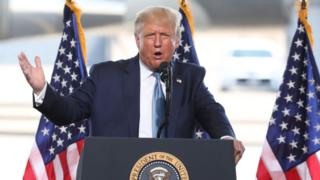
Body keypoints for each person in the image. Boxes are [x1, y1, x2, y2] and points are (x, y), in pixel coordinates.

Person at [18, 6, 245, 164]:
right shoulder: (106, 75)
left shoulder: (189, 78)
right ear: (137, 40)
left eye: (165, 35)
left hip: (171, 170)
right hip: (116, 170)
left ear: (176, 41)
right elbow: (67, 112)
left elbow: (212, 113)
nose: (157, 42)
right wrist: (41, 89)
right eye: (149, 36)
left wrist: (226, 139)